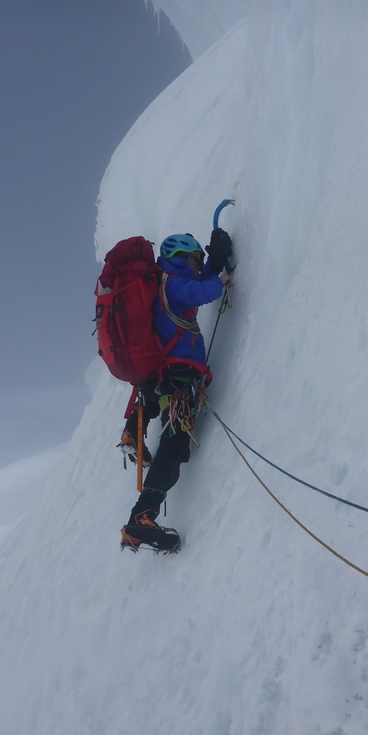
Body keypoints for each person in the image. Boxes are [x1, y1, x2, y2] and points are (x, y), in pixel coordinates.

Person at [119, 228, 234, 550]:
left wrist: (215, 262)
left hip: (167, 374)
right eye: (197, 260)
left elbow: (193, 287)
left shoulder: (166, 283)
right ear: (184, 258)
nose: (199, 266)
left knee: (174, 440)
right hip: (178, 375)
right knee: (174, 443)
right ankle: (141, 517)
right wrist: (221, 279)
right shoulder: (172, 283)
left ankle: (133, 433)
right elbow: (199, 293)